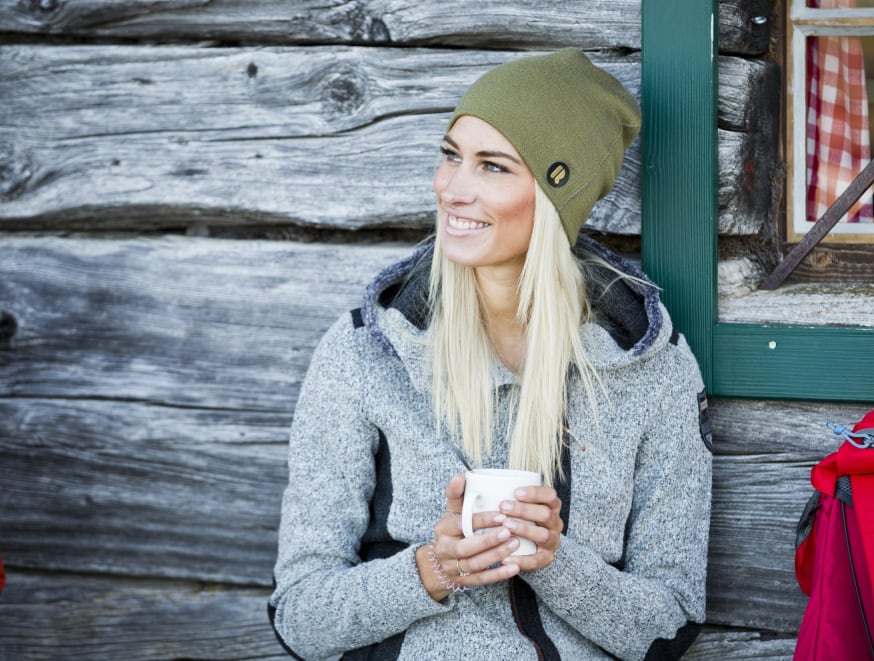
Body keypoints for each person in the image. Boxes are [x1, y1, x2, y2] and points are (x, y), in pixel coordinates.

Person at [268, 48, 713, 661]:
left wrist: (554, 563)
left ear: (557, 195)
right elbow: (300, 617)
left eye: (493, 167)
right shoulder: (366, 352)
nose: (453, 188)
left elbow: (670, 626)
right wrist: (429, 570)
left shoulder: (651, 367)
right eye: (451, 156)